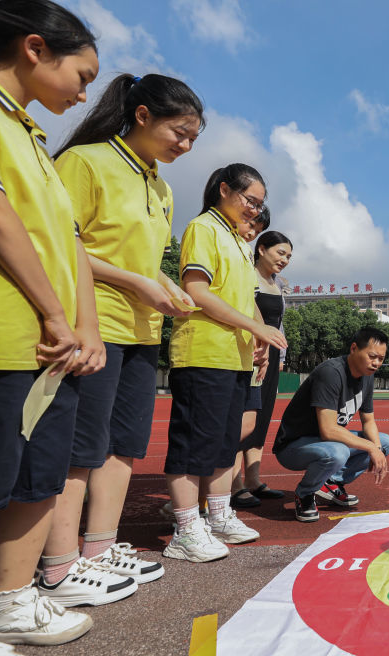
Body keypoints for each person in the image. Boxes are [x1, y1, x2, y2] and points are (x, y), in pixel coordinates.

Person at [0, 1, 100, 656]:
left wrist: (84, 324)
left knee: (35, 475)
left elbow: (70, 242)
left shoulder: (35, 138)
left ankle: (10, 601)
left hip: (51, 342)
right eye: (83, 73)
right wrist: (53, 312)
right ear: (37, 49)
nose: (85, 93)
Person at [32, 73, 204, 607]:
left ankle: (99, 548)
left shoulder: (161, 186)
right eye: (180, 132)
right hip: (95, 323)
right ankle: (58, 567)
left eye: (194, 138)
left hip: (141, 330)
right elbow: (59, 243)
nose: (186, 145)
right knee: (80, 447)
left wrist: (165, 286)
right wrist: (135, 283)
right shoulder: (85, 162)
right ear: (143, 114)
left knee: (124, 443)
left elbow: (145, 261)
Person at [163, 164, 287, 562]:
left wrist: (259, 336)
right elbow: (197, 290)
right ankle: (185, 527)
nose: (255, 210)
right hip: (203, 351)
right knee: (192, 443)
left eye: (260, 204)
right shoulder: (204, 228)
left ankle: (218, 513)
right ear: (223, 190)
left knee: (223, 442)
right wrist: (256, 327)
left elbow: (245, 296)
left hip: (234, 356)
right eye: (250, 201)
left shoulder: (237, 240)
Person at [273, 327, 389, 522]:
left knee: (385, 442)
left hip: (325, 443)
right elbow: (328, 430)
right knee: (339, 452)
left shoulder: (367, 377)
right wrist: (370, 447)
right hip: (293, 446)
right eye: (372, 356)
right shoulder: (331, 373)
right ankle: (305, 493)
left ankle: (331, 482)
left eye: (381, 358)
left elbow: (368, 420)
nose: (377, 363)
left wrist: (377, 447)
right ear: (354, 348)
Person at [232, 225, 292, 508]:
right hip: (246, 356)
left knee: (262, 418)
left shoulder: (279, 283)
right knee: (242, 421)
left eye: (289, 256)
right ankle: (234, 484)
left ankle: (254, 480)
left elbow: (278, 324)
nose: (285, 259)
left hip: (270, 360)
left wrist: (280, 357)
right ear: (261, 249)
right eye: (281, 252)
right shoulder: (247, 275)